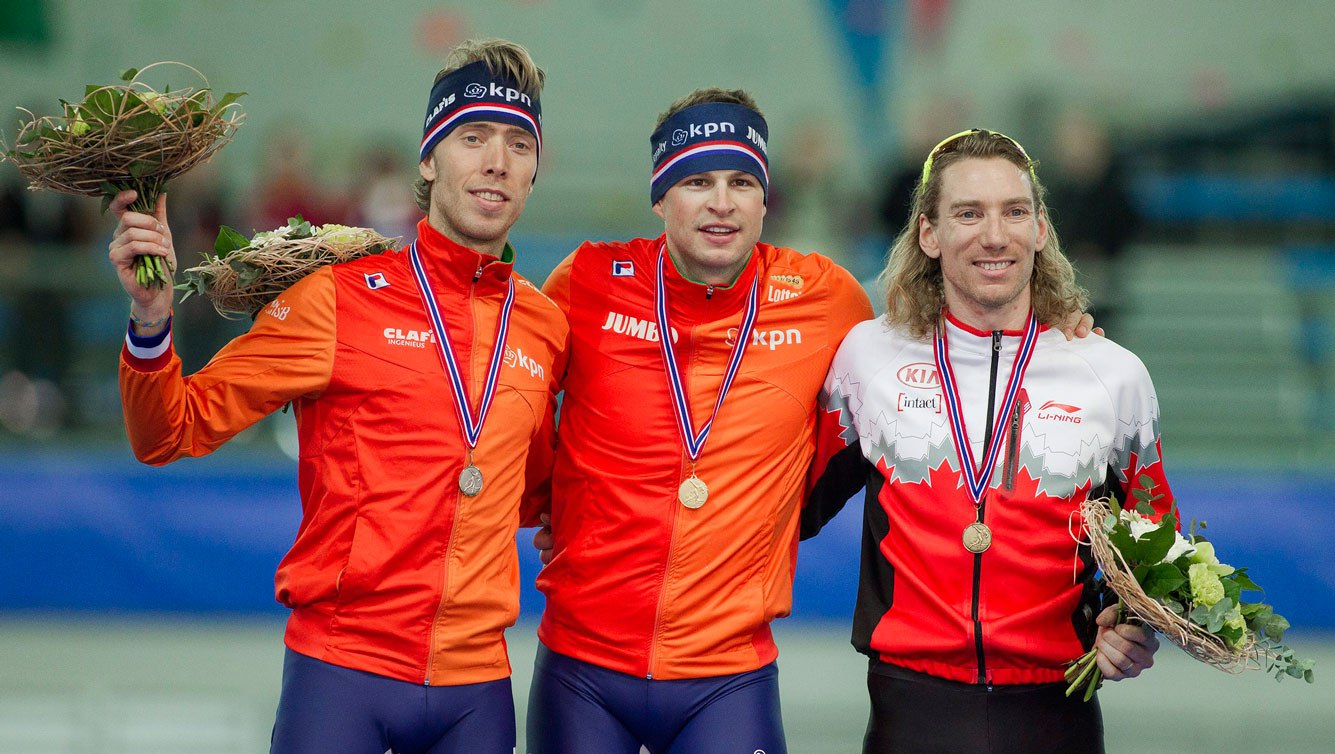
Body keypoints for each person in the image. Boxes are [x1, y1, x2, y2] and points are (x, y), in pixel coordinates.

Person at [107, 38, 566, 754]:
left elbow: (537, 489)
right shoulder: (337, 302)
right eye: (472, 137)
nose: (496, 162)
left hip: (477, 690)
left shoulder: (542, 327)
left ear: (536, 169)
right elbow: (169, 432)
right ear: (428, 158)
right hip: (342, 676)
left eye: (518, 143)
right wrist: (151, 319)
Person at [525, 88, 875, 754]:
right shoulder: (587, 282)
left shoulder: (825, 297)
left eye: (742, 181)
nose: (722, 202)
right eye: (696, 181)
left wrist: (1059, 323)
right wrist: (545, 504)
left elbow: (928, 356)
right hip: (583, 669)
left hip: (728, 680)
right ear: (660, 198)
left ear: (765, 198)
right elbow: (512, 400)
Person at [803, 129, 1166, 754]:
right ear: (929, 234)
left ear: (1041, 228)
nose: (994, 236)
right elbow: (792, 507)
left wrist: (1133, 625)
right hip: (909, 711)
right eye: (968, 214)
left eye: (1014, 212)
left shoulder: (1113, 375)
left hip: (1058, 715)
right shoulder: (866, 358)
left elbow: (1155, 550)